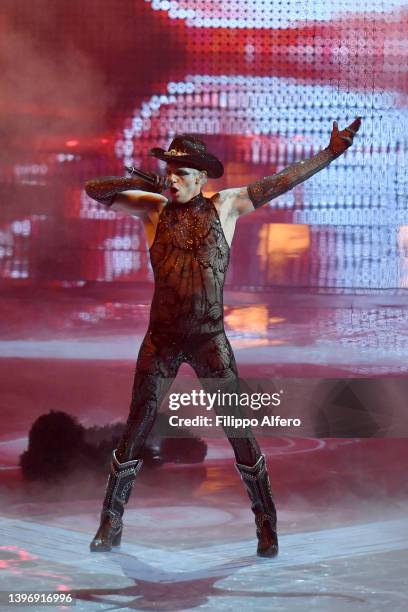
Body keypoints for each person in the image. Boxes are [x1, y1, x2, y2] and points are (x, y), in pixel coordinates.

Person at [85, 117, 361, 557]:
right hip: (161, 340)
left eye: (181, 173)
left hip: (209, 340)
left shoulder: (226, 206)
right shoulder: (151, 208)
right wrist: (151, 184)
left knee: (239, 431)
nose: (174, 179)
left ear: (200, 177)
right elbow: (95, 188)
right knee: (135, 428)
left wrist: (331, 153)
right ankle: (110, 521)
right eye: (169, 172)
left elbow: (280, 182)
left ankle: (266, 525)